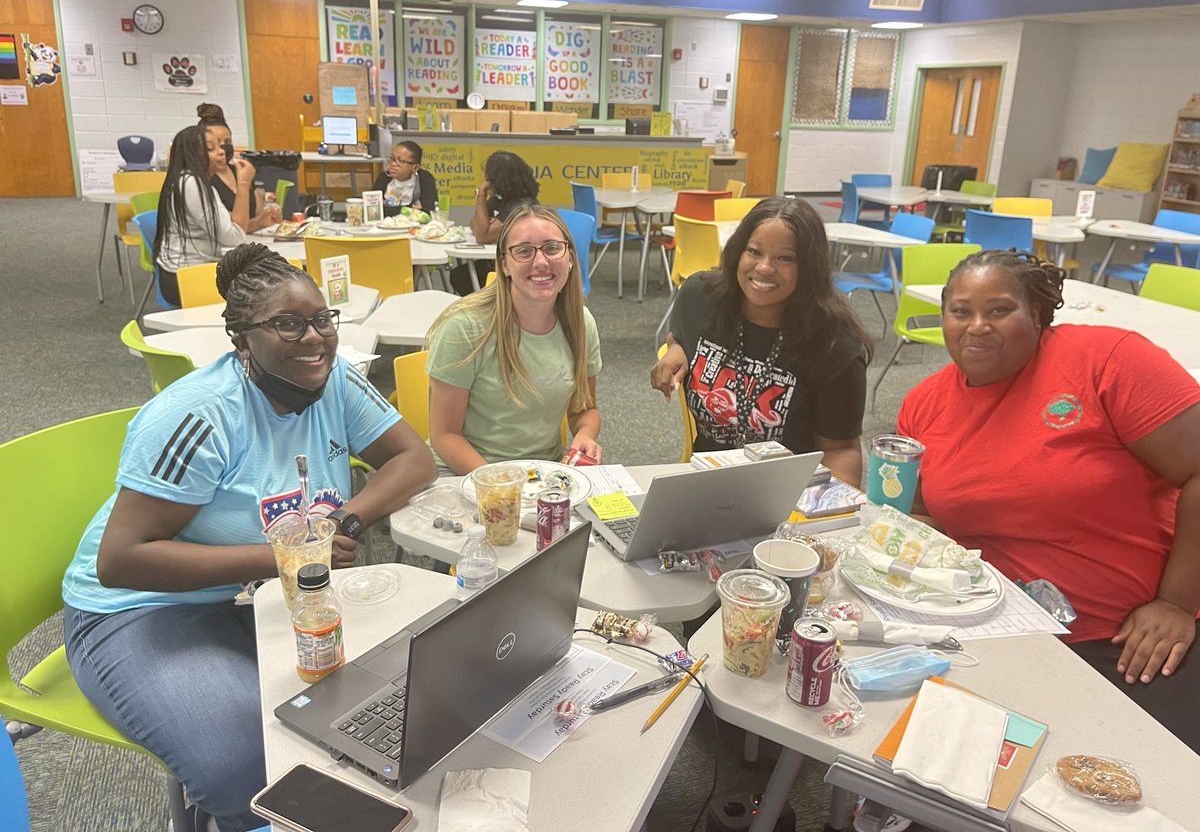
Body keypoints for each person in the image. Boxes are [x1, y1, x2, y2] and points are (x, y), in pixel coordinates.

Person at [63, 243, 437, 831]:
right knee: (244, 766)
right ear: (241, 338)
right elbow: (121, 560)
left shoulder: (332, 378)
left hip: (266, 596)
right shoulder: (201, 414)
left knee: (403, 690)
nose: (314, 338)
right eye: (287, 324)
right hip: (141, 611)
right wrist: (284, 556)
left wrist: (346, 522)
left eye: (321, 319)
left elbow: (414, 461)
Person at [896, 249, 1200, 752]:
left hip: (1127, 635)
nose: (977, 327)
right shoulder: (924, 404)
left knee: (1159, 788)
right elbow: (925, 514)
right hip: (993, 631)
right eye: (960, 311)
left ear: (1036, 314)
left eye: (998, 310)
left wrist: (1176, 603)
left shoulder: (1107, 360)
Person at [650, 196, 871, 485]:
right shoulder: (701, 297)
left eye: (785, 258)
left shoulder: (835, 347)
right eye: (754, 251)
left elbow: (840, 451)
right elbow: (680, 334)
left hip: (786, 496)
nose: (765, 267)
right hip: (705, 484)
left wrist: (817, 514)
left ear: (809, 268)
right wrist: (677, 350)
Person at [428, 203, 602, 475]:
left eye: (552, 248)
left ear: (569, 257)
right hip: (464, 471)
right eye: (523, 251)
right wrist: (502, 486)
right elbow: (445, 435)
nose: (541, 262)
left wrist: (585, 434)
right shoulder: (465, 327)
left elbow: (585, 409)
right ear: (504, 265)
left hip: (541, 473)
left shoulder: (581, 322)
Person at [154, 124, 252, 307]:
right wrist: (244, 183)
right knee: (262, 291)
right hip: (184, 279)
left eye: (220, 146)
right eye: (210, 148)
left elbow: (230, 227)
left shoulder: (196, 182)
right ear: (192, 154)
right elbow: (235, 238)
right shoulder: (191, 184)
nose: (221, 152)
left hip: (196, 269)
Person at [451, 151, 541, 295]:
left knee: (463, 277)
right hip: (504, 260)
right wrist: (486, 224)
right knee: (461, 274)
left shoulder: (521, 207)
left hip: (519, 268)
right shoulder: (504, 197)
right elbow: (475, 223)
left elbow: (481, 236)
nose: (487, 179)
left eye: (490, 176)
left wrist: (481, 193)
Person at [197, 102, 281, 231]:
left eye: (228, 142)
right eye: (213, 145)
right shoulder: (201, 182)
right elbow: (229, 231)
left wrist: (268, 217)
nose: (222, 150)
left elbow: (258, 214)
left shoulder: (242, 172)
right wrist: (258, 223)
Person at [370, 139, 439, 217]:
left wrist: (387, 209)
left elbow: (429, 212)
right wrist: (409, 209)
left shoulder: (425, 179)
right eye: (392, 159)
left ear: (415, 167)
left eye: (401, 161)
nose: (393, 164)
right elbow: (372, 209)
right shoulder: (384, 177)